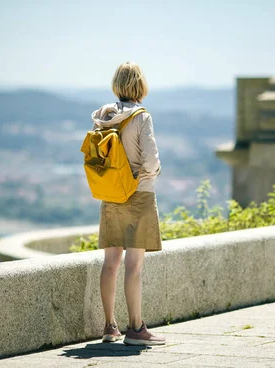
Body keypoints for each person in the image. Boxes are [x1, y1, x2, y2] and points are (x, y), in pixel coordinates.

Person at [90, 61, 166, 346]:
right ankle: (136, 329)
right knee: (134, 265)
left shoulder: (102, 117)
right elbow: (150, 160)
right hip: (139, 194)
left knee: (110, 263)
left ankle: (110, 326)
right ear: (140, 85)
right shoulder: (142, 117)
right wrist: (153, 173)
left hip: (110, 195)